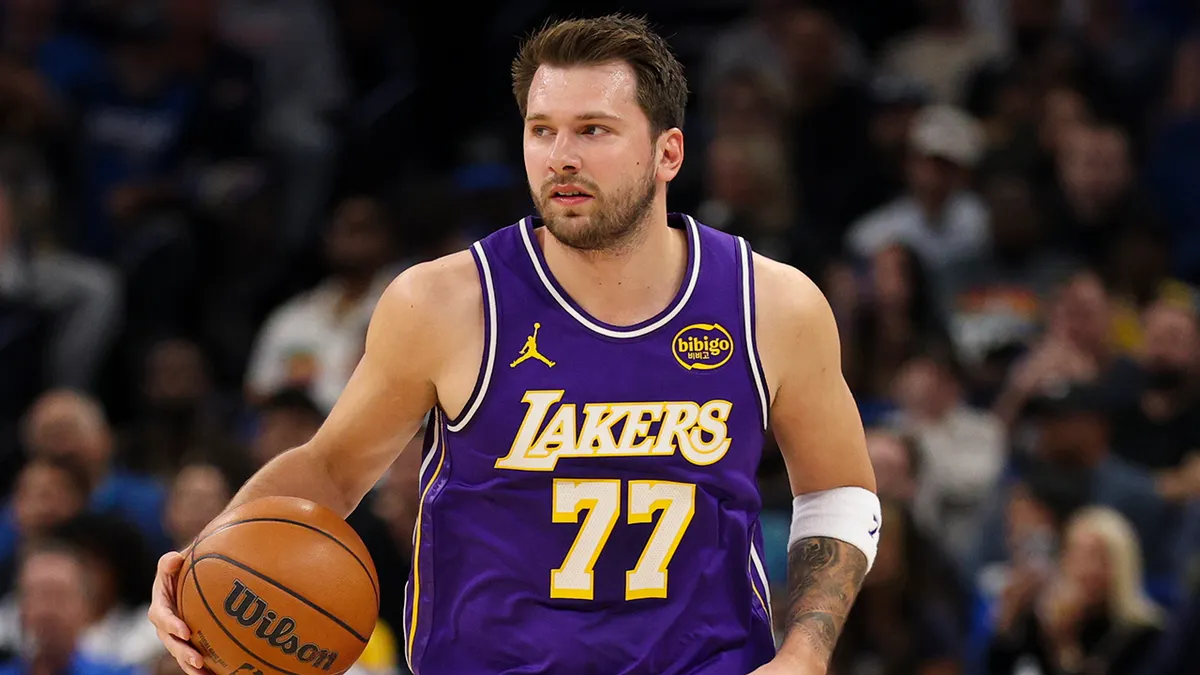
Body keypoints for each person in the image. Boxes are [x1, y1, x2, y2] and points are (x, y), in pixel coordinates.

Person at [147, 14, 880, 675]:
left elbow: (840, 491)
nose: (560, 156)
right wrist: (205, 558)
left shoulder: (771, 304)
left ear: (668, 153)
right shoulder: (444, 301)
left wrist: (805, 651)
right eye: (541, 130)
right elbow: (332, 468)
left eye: (593, 129)